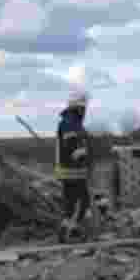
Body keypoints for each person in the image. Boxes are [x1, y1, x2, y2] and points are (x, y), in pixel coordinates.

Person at [55, 90, 92, 242]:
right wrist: (83, 157)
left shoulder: (71, 121)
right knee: (82, 202)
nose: (85, 111)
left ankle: (66, 231)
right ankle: (71, 231)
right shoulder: (70, 123)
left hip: (72, 171)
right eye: (84, 108)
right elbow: (71, 145)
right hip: (72, 170)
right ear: (78, 107)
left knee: (72, 204)